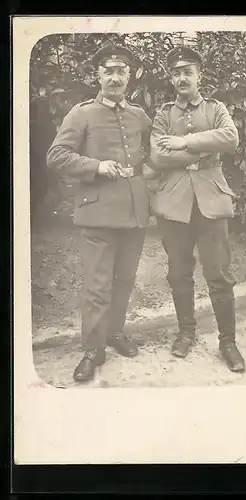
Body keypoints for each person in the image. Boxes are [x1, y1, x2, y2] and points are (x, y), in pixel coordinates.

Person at [47, 43, 152, 383]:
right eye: (108, 71)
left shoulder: (138, 115)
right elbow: (57, 155)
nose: (115, 77)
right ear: (98, 75)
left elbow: (152, 151)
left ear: (129, 76)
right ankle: (93, 348)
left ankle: (115, 332)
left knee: (125, 279)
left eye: (121, 71)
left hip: (135, 212)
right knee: (96, 284)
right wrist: (96, 165)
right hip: (97, 214)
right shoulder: (81, 114)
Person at [148, 45, 245, 372]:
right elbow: (158, 157)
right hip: (173, 203)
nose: (181, 78)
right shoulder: (164, 114)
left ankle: (228, 342)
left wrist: (183, 142)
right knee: (179, 273)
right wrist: (202, 152)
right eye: (175, 73)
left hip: (211, 202)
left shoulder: (216, 109)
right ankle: (186, 333)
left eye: (187, 71)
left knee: (219, 273)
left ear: (199, 75)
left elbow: (230, 138)